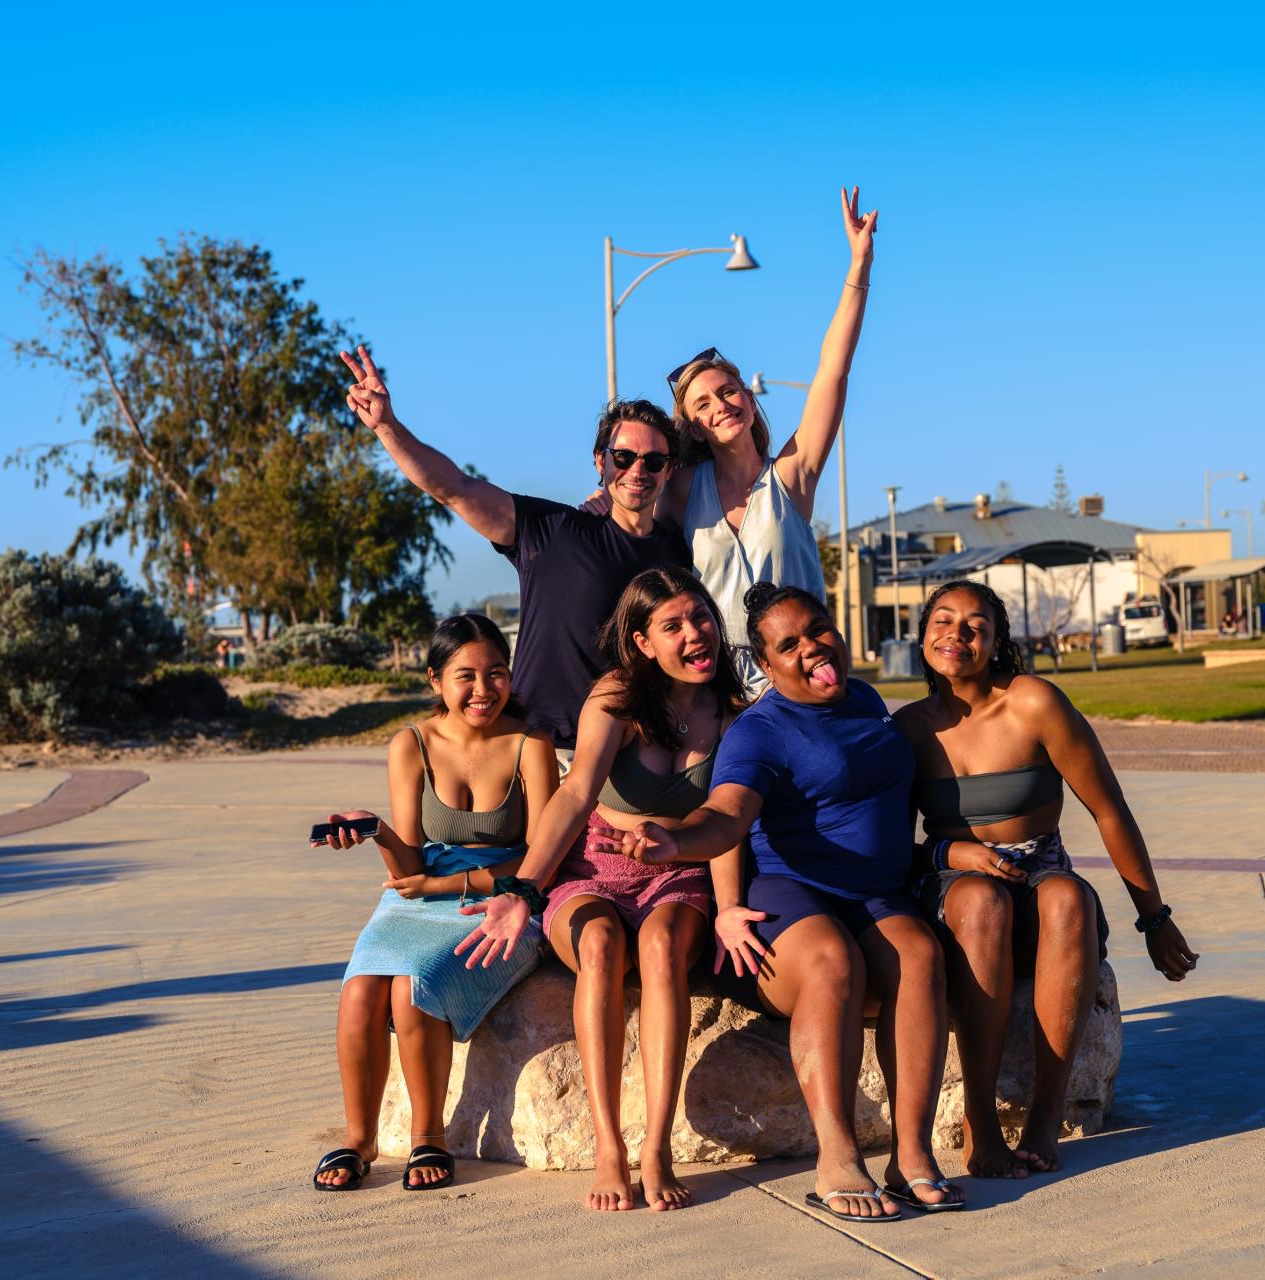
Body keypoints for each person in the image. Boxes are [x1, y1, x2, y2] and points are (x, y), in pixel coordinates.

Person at [583, 583, 962, 1222]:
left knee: (920, 957)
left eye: (819, 630)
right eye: (789, 645)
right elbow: (725, 817)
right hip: (790, 894)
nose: (813, 648)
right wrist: (673, 839)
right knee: (831, 963)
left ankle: (911, 1154)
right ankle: (837, 1155)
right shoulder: (759, 731)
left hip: (874, 893)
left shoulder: (864, 699)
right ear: (765, 663)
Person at [454, 568, 746, 1211]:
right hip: (595, 868)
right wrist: (524, 890)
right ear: (642, 643)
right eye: (672, 626)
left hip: (678, 871)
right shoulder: (616, 697)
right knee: (602, 945)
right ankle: (611, 1145)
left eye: (700, 618)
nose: (696, 634)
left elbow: (731, 819)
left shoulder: (731, 710)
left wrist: (727, 909)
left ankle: (657, 1148)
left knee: (665, 949)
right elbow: (577, 791)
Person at [895, 580, 1200, 1179]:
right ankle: (980, 1126)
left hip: (1040, 873)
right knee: (983, 902)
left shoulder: (1034, 703)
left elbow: (1108, 808)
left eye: (976, 625)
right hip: (955, 885)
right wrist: (956, 855)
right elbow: (888, 848)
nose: (957, 634)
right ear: (923, 633)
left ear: (997, 641)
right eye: (943, 620)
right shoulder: (907, 729)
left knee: (1066, 897)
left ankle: (1044, 1118)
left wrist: (1155, 918)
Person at [340, 345, 691, 759]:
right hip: (540, 752)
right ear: (601, 461)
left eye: (653, 461)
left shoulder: (678, 557)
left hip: (631, 758)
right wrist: (387, 427)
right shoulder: (553, 530)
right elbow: (453, 488)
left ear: (668, 470)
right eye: (623, 457)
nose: (637, 470)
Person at [309, 614, 557, 1192]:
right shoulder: (411, 744)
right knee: (360, 988)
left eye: (496, 673)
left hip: (504, 899)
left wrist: (453, 887)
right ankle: (359, 1139)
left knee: (413, 983)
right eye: (465, 676)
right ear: (434, 680)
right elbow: (411, 867)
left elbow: (543, 855)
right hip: (418, 899)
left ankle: (430, 1137)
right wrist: (377, 833)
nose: (483, 689)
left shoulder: (530, 743)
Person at [662, 187, 878, 693]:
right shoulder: (680, 490)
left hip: (802, 678)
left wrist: (860, 261)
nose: (722, 405)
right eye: (704, 403)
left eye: (729, 390)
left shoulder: (790, 477)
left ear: (750, 398)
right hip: (715, 690)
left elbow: (832, 372)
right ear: (692, 426)